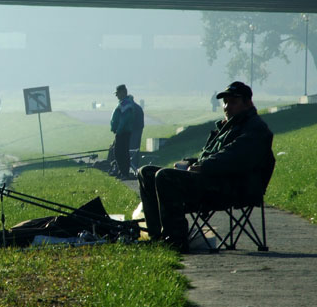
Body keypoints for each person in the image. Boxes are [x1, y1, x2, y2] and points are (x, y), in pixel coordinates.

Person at [137, 81, 275, 252]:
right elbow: (214, 155)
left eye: (233, 102)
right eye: (225, 102)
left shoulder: (255, 129)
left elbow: (234, 156)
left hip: (231, 187)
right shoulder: (227, 126)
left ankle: (175, 241)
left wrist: (203, 166)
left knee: (165, 177)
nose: (226, 107)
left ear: (248, 103)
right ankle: (157, 237)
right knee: (146, 172)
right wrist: (190, 162)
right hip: (212, 179)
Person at [110, 84, 134, 179]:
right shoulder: (124, 102)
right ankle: (122, 172)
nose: (116, 96)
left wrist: (118, 130)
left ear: (123, 92)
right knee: (119, 152)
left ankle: (124, 173)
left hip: (123, 132)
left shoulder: (126, 104)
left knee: (121, 153)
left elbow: (124, 119)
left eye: (118, 93)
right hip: (121, 132)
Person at [129, 95, 145, 170]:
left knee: (131, 148)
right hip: (139, 130)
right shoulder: (138, 107)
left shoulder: (131, 108)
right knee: (136, 148)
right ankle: (135, 165)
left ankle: (131, 165)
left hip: (132, 130)